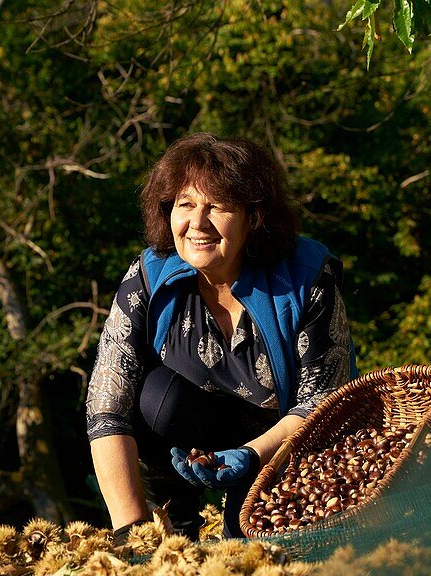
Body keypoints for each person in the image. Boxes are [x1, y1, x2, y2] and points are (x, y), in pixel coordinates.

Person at [85, 133, 356, 540]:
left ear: (253, 216)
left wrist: (250, 455)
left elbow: (322, 404)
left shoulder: (307, 278)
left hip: (284, 448)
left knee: (244, 546)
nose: (197, 223)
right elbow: (105, 408)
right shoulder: (147, 277)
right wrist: (131, 531)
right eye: (186, 204)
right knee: (158, 395)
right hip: (197, 437)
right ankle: (176, 526)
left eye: (218, 207)